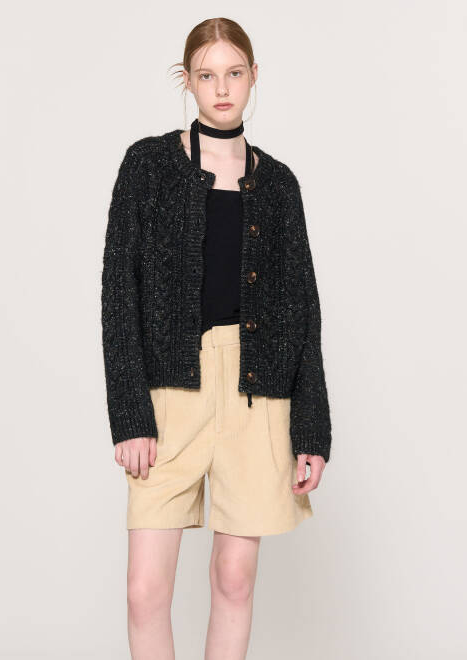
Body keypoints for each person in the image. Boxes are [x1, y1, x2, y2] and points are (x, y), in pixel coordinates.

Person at [101, 17, 332, 660]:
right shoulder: (148, 165)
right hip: (170, 392)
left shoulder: (279, 184)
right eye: (207, 75)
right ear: (187, 81)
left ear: (254, 76)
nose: (222, 88)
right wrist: (130, 415)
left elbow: (304, 310)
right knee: (145, 590)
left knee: (234, 580)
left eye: (234, 73)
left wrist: (311, 430)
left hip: (257, 394)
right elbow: (118, 293)